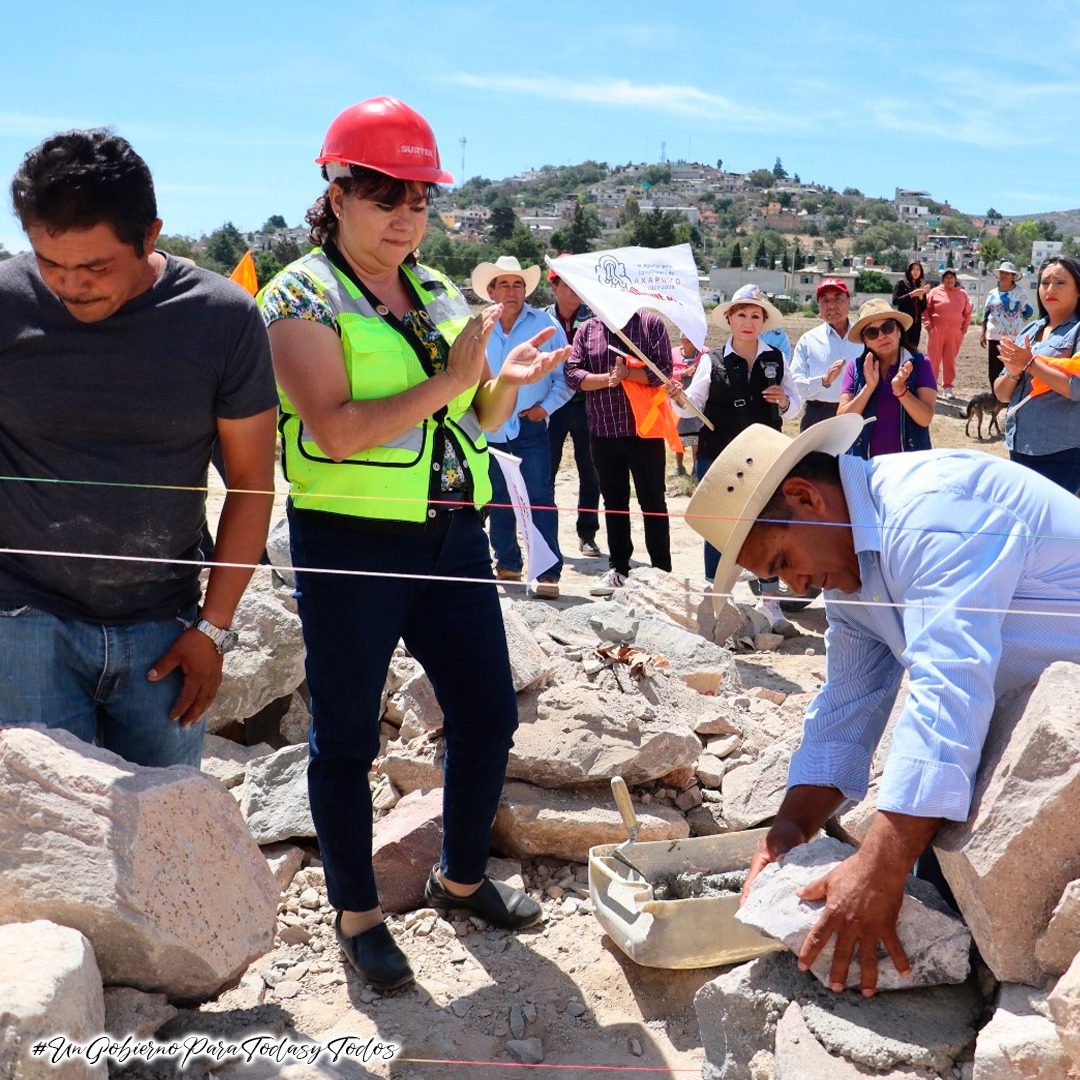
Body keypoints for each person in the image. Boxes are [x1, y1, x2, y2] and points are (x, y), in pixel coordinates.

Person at [259, 97, 568, 989]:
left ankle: (461, 876)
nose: (405, 214)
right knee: (347, 735)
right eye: (384, 193)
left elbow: (472, 415)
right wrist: (454, 377)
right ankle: (358, 914)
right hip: (349, 543)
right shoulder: (298, 296)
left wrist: (499, 385)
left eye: (419, 198)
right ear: (337, 190)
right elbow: (340, 428)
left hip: (451, 535)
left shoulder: (434, 290)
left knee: (489, 713)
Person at [685, 414, 1080, 995]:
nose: (795, 587)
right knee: (937, 891)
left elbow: (949, 683)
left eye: (781, 562)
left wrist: (880, 866)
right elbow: (847, 702)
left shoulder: (931, 514)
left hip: (1061, 721)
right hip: (1031, 715)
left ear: (805, 497)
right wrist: (790, 828)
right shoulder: (853, 570)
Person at [0, 129, 277, 767]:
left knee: (162, 839)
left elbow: (252, 480)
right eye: (50, 263)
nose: (70, 286)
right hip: (23, 625)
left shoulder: (222, 317)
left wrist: (212, 628)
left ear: (150, 236)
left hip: (165, 632)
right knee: (50, 846)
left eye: (95, 266)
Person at [670, 284, 800, 630]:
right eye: (741, 314)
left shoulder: (776, 357)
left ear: (763, 320)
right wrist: (677, 397)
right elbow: (687, 406)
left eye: (755, 315)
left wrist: (784, 401)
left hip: (766, 455)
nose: (748, 321)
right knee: (718, 528)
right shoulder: (710, 361)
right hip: (719, 456)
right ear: (729, 318)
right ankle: (719, 601)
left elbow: (795, 404)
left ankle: (770, 603)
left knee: (769, 526)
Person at [470, 255, 572, 599]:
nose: (512, 290)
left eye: (518, 284)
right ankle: (508, 564)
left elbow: (565, 378)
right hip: (490, 428)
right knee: (498, 497)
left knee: (540, 497)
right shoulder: (479, 328)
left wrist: (544, 408)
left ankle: (547, 573)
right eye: (504, 284)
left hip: (530, 426)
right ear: (491, 290)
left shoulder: (546, 326)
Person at [564, 310, 673, 596]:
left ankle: (662, 572)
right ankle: (619, 569)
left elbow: (663, 371)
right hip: (603, 431)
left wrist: (629, 374)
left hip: (645, 431)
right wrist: (608, 378)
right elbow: (573, 374)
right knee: (614, 503)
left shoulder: (650, 324)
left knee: (653, 503)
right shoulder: (587, 329)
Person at [994, 255, 1080, 495]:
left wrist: (1030, 363)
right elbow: (1001, 394)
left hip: (1061, 451)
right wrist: (1013, 373)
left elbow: (1077, 388)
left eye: (1060, 282)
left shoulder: (1077, 331)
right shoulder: (1030, 330)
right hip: (1020, 446)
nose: (1050, 289)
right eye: (1044, 283)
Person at [546, 258, 602, 558]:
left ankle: (587, 533)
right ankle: (546, 538)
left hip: (586, 405)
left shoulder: (595, 321)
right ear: (553, 287)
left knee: (590, 471)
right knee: (546, 472)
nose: (574, 292)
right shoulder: (541, 321)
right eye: (567, 285)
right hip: (551, 407)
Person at [837, 298, 936, 458]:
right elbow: (842, 422)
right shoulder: (854, 368)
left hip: (910, 465)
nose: (881, 336)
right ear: (865, 341)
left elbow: (925, 418)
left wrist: (901, 391)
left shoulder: (921, 364)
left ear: (898, 330)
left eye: (887, 327)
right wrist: (868, 388)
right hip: (865, 467)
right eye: (872, 332)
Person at [789, 278, 863, 431]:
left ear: (849, 301)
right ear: (819, 306)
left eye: (838, 298)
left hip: (856, 413)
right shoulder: (808, 340)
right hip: (818, 415)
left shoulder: (865, 338)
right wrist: (823, 381)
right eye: (825, 300)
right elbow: (795, 385)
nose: (831, 306)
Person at [981, 260, 1034, 387]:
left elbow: (1028, 311)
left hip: (1014, 338)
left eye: (1007, 273)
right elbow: (985, 314)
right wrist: (983, 333)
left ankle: (1009, 398)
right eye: (1002, 273)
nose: (1004, 275)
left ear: (1013, 277)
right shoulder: (992, 293)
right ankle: (996, 398)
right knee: (994, 369)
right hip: (995, 337)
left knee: (1012, 368)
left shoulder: (1021, 293)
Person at [922, 269, 971, 398]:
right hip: (937, 330)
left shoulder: (962, 294)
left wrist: (963, 330)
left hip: (955, 332)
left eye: (951, 277)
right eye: (946, 278)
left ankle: (948, 387)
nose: (949, 280)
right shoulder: (935, 292)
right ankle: (932, 386)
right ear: (942, 280)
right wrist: (928, 326)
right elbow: (926, 310)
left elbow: (967, 314)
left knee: (950, 360)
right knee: (933, 360)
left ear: (955, 279)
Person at [671, 334, 706, 476]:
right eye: (686, 340)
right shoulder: (673, 353)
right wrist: (683, 373)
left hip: (698, 399)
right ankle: (679, 467)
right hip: (678, 399)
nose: (689, 343)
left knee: (697, 435)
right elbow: (666, 372)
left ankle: (695, 469)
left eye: (692, 340)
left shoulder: (705, 353)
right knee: (679, 434)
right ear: (682, 341)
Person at [891, 261, 931, 352]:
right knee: (902, 348)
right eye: (913, 269)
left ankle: (911, 365)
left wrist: (921, 296)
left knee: (913, 348)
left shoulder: (920, 285)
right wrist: (911, 295)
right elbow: (895, 300)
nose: (915, 272)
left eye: (918, 269)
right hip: (904, 322)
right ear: (909, 270)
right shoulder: (901, 282)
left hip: (916, 323)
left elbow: (923, 308)